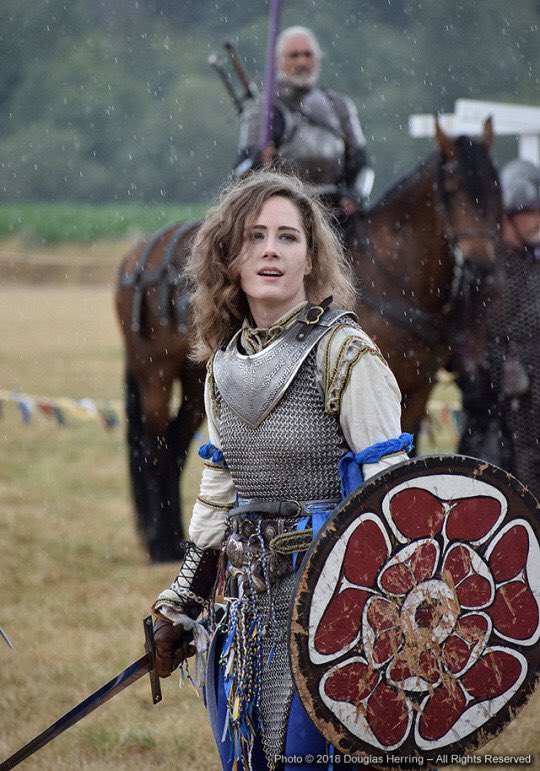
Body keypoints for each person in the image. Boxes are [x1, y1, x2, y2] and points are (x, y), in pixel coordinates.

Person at [150, 170, 411, 771]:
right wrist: (184, 598)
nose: (271, 249)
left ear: (310, 259)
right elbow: (218, 497)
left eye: (288, 237)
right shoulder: (222, 365)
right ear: (229, 257)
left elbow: (391, 498)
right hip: (243, 607)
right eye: (255, 236)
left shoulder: (347, 353)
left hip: (334, 609)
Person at [458, 158, 540, 498]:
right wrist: (486, 372)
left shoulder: (533, 263)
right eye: (529, 211)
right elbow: (466, 337)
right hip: (497, 409)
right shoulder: (485, 273)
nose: (537, 219)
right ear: (508, 216)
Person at [235, 26, 374, 224]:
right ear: (278, 61)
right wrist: (259, 160)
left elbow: (361, 162)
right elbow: (241, 173)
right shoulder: (263, 108)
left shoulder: (339, 104)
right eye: (294, 55)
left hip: (337, 213)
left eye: (308, 55)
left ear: (317, 59)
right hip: (283, 211)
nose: (302, 62)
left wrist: (357, 194)